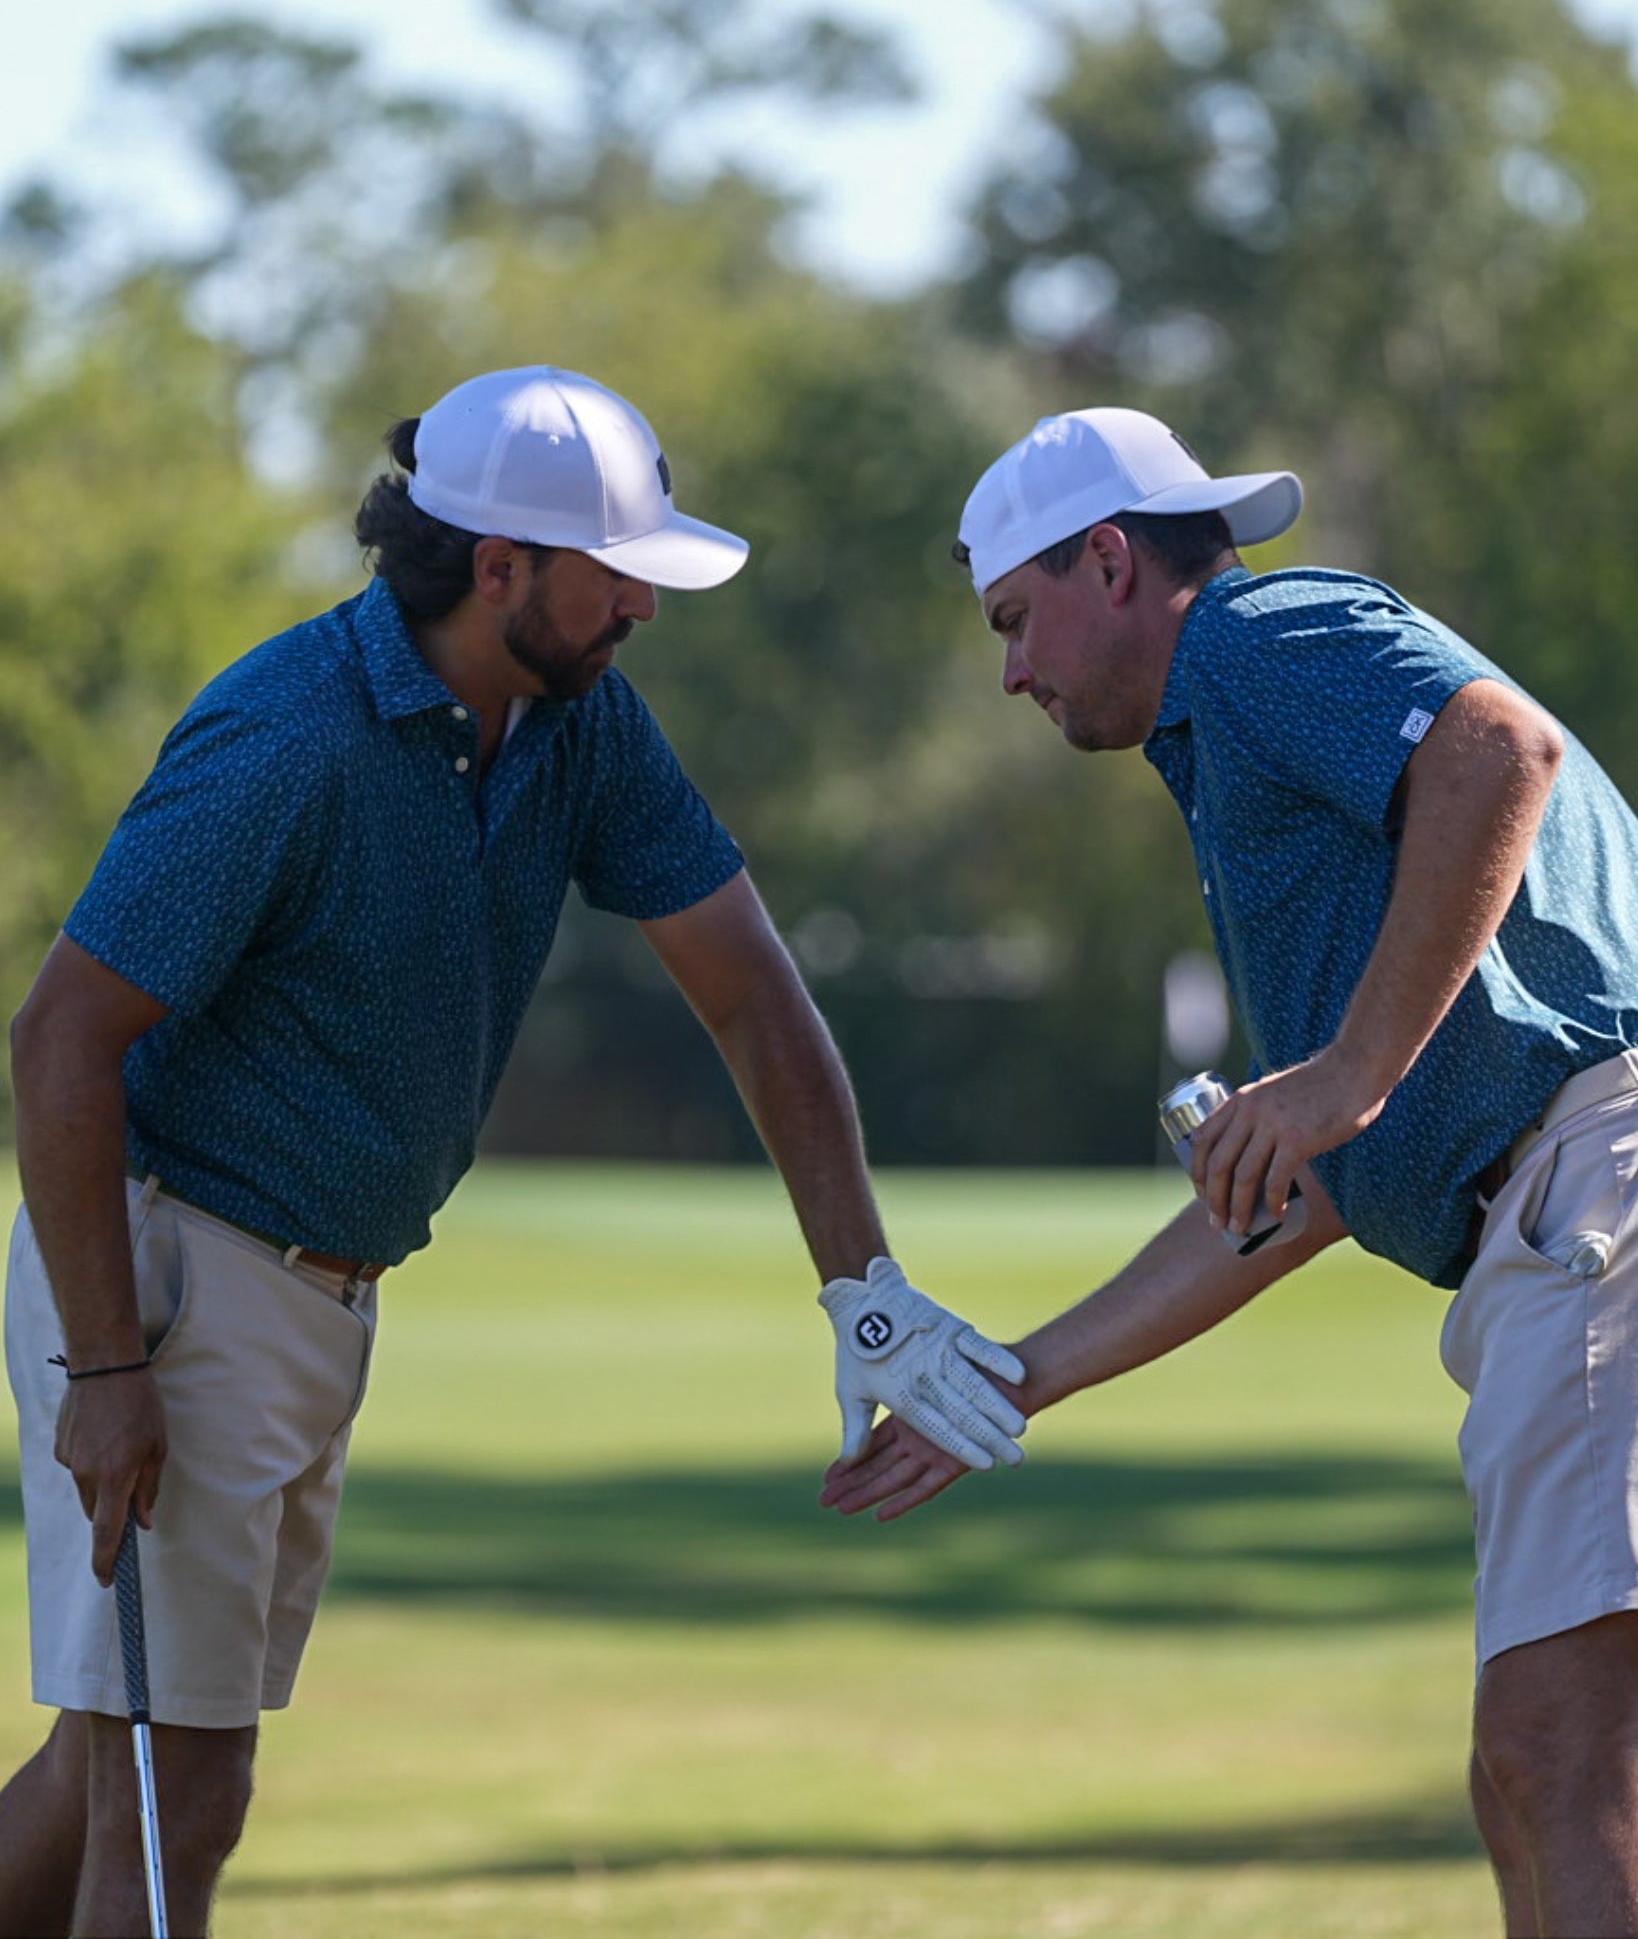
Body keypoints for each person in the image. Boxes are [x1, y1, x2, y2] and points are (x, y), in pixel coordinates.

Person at [0, 366, 1027, 1936]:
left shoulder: (575, 725)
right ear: (499, 571)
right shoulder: (283, 742)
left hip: (311, 1294)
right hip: (168, 1275)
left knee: (104, 1771)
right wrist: (104, 1373)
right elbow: (62, 1037)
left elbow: (749, 992)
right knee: (172, 1796)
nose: (642, 611)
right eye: (617, 577)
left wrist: (860, 1285)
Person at [822, 404, 1638, 1937]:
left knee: (1558, 1754)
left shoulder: (1256, 635)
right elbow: (1308, 1185)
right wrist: (1018, 1377)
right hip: (1569, 1208)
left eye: (1014, 621)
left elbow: (1496, 745)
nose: (1008, 672)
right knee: (1530, 1772)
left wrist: (1346, 1069)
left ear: (1110, 564)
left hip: (1599, 1188)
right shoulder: (1235, 743)